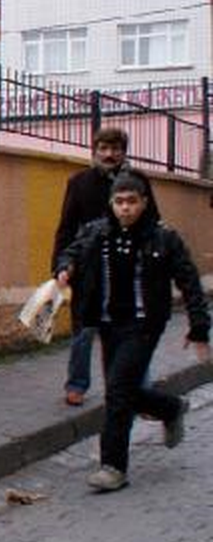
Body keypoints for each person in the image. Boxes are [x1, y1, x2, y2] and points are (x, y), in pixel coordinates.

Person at [56, 170, 209, 492]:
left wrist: (199, 327)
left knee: (118, 390)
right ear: (111, 204)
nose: (125, 208)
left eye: (131, 201)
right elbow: (72, 251)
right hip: (109, 323)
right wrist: (64, 268)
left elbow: (189, 281)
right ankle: (170, 407)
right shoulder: (97, 232)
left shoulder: (164, 238)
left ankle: (113, 467)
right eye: (119, 201)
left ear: (144, 202)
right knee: (122, 389)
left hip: (144, 325)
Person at [52, 127, 129, 406]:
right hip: (88, 271)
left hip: (124, 269)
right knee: (83, 332)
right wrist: (60, 266)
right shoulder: (79, 182)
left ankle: (131, 389)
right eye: (103, 148)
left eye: (115, 149)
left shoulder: (135, 182)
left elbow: (151, 223)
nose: (109, 154)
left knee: (124, 333)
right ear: (94, 151)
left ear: (123, 152)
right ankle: (76, 385)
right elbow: (66, 227)